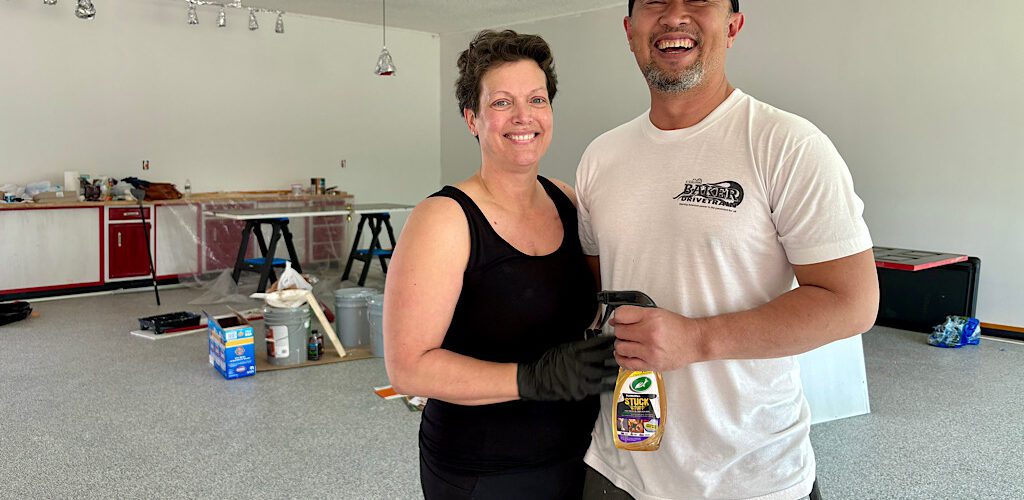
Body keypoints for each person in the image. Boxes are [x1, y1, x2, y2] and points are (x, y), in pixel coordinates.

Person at [576, 1, 880, 499]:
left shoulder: (787, 145)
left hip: (753, 477)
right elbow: (596, 294)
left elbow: (852, 302)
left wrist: (697, 340)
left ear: (733, 26)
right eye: (655, 2)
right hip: (618, 468)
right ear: (630, 31)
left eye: (699, 0)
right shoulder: (600, 157)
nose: (675, 15)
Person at [383, 29, 618, 499]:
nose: (523, 116)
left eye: (537, 99)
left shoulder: (567, 200)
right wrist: (531, 378)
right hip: (484, 470)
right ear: (472, 118)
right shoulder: (444, 219)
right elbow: (408, 368)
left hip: (580, 454)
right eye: (502, 103)